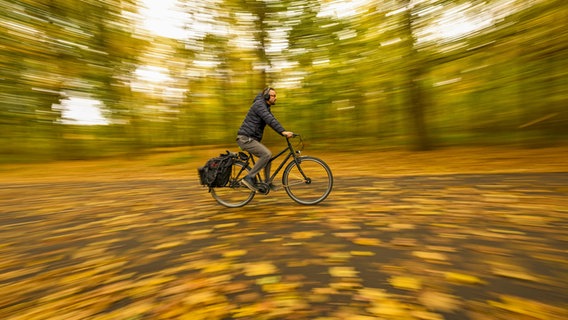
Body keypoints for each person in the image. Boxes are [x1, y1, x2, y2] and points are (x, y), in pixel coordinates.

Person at [237, 87, 294, 191]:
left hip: (250, 138)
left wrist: (283, 131)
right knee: (266, 154)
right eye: (273, 96)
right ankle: (248, 178)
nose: (275, 98)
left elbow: (272, 120)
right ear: (266, 96)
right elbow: (269, 120)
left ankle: (267, 183)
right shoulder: (259, 105)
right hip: (245, 138)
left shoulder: (265, 107)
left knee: (268, 157)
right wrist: (283, 132)